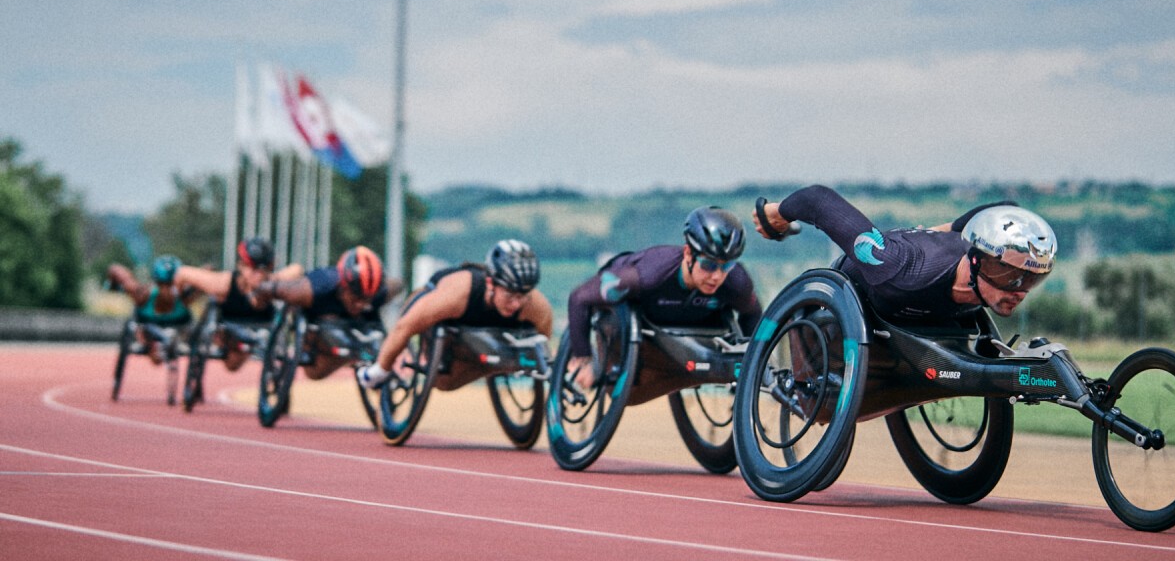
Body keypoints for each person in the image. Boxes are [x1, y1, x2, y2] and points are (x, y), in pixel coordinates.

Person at [752, 185, 1057, 324]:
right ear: (977, 262)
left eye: (1031, 281)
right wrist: (774, 215)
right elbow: (817, 200)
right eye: (1010, 277)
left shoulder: (988, 259)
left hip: (936, 263)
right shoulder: (898, 270)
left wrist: (945, 228)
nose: (1019, 291)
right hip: (867, 290)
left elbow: (1008, 209)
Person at [564, 206, 762, 390]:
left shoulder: (737, 283)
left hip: (684, 319)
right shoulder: (647, 276)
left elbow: (752, 313)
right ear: (688, 254)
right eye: (709, 265)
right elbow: (579, 298)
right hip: (632, 300)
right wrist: (583, 357)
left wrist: (750, 363)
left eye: (726, 266)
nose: (717, 276)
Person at [357, 239, 553, 389]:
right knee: (442, 382)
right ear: (490, 283)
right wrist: (379, 370)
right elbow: (404, 327)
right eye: (510, 295)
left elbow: (543, 354)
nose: (517, 304)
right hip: (443, 314)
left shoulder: (537, 307)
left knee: (451, 380)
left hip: (481, 344)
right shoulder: (458, 293)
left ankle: (493, 365)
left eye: (523, 295)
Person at [255, 245, 404, 380]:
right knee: (314, 373)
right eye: (356, 296)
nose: (361, 304)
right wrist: (255, 297)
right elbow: (269, 289)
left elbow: (399, 285)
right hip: (317, 327)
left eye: (367, 299)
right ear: (343, 286)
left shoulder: (380, 291)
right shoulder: (314, 288)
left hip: (354, 331)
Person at [172, 236, 304, 371]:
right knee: (232, 364)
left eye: (263, 269)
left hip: (264, 327)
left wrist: (275, 280)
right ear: (241, 265)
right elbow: (182, 273)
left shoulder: (273, 281)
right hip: (230, 330)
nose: (258, 275)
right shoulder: (223, 283)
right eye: (252, 268)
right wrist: (182, 303)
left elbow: (297, 269)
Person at [106, 255, 196, 365]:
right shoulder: (143, 295)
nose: (166, 290)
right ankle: (161, 344)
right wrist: (113, 284)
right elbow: (115, 269)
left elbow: (209, 273)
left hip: (179, 331)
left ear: (179, 283)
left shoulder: (186, 297)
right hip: (150, 332)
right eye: (162, 284)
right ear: (156, 283)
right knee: (146, 331)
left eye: (170, 285)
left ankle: (169, 341)